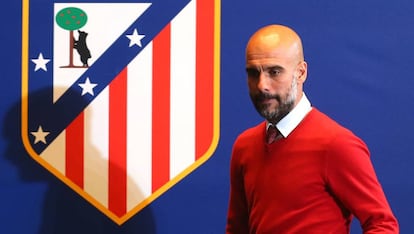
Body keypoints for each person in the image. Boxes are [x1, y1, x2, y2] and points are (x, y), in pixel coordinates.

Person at [226, 24, 399, 233]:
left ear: (301, 73)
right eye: (253, 73)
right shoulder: (244, 146)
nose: (262, 84)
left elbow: (382, 225)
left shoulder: (337, 144)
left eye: (274, 71)